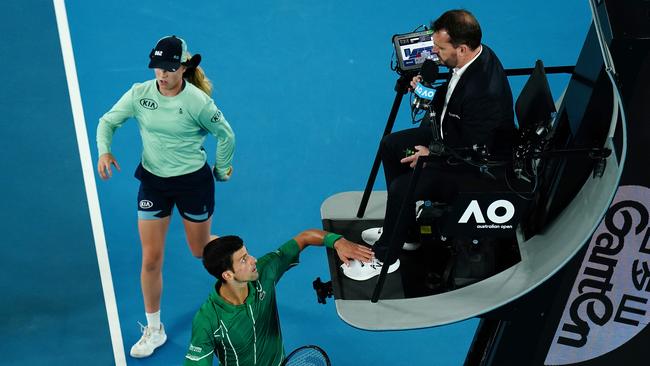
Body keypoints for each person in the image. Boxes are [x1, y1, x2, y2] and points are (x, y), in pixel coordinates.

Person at [343, 9, 515, 281]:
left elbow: (475, 148)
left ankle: (386, 256)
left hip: (473, 167)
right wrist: (423, 91)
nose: (432, 51)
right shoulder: (472, 56)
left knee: (404, 186)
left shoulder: (484, 94)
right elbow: (451, 103)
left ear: (461, 48)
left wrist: (431, 154)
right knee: (391, 146)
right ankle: (406, 231)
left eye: (439, 47)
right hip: (451, 137)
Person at [96, 35, 235, 358]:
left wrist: (222, 168)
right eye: (158, 67)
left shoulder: (198, 102)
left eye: (170, 68)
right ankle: (154, 329)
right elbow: (107, 121)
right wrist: (105, 151)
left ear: (184, 68)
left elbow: (225, 134)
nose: (163, 74)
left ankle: (241, 256)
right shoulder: (139, 94)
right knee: (151, 258)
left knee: (201, 251)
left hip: (192, 184)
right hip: (154, 183)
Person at [183, 230, 374, 365]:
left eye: (247, 254)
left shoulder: (265, 272)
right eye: (243, 260)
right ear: (227, 275)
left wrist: (338, 242)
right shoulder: (208, 321)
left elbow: (304, 238)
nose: (254, 260)